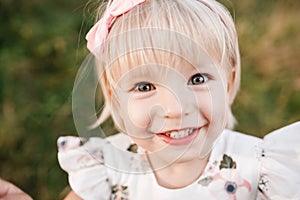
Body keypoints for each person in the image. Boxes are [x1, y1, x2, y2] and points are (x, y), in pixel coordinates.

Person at [57, 0, 300, 199]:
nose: (176, 109)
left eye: (197, 79)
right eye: (145, 86)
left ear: (227, 83)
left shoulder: (261, 170)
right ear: (115, 96)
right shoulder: (106, 168)